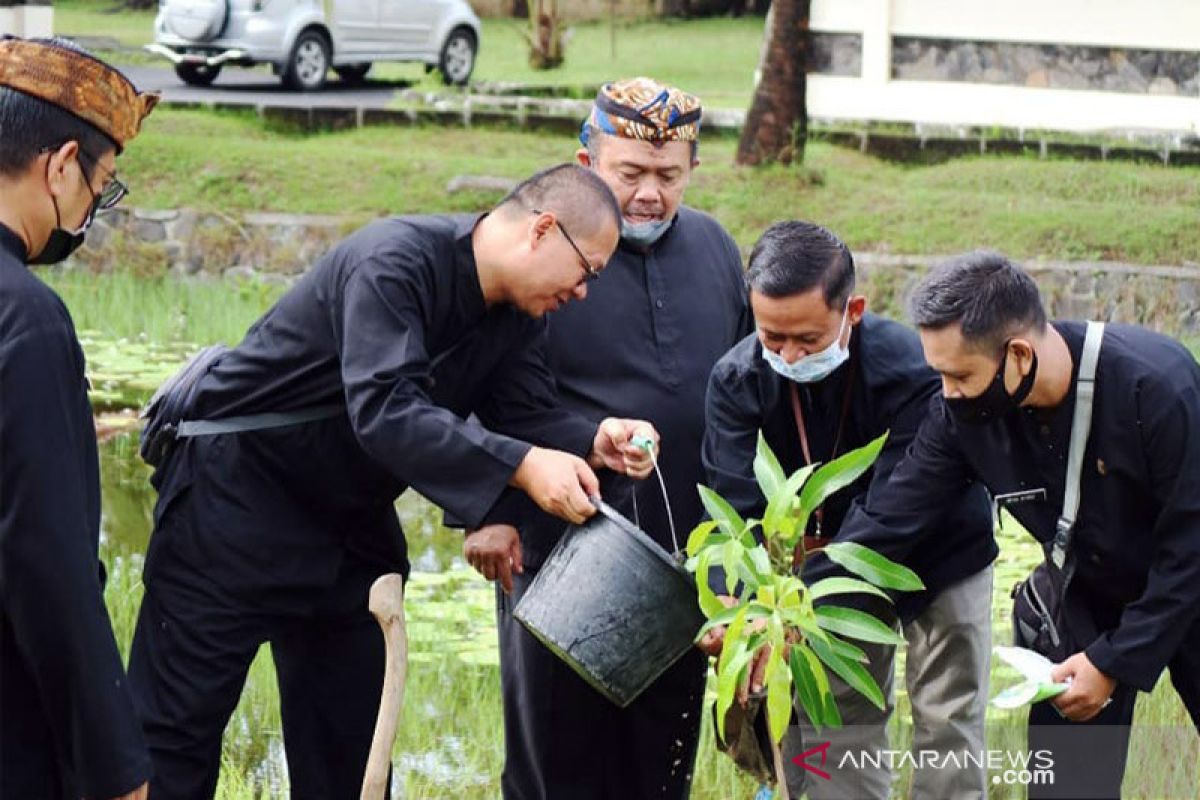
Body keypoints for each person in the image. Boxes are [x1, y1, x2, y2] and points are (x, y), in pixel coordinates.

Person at [128, 163, 660, 798]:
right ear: (543, 230)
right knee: (172, 745)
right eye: (588, 272)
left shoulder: (520, 318)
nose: (583, 292)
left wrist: (590, 440)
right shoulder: (394, 261)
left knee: (354, 759)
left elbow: (525, 415)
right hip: (233, 507)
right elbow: (384, 407)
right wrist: (522, 465)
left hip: (348, 530)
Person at [815, 251, 1200, 798]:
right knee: (1068, 784)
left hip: (1188, 582)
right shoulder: (964, 415)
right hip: (1083, 595)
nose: (946, 393)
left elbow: (1190, 549)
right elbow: (892, 517)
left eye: (959, 375)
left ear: (1019, 354)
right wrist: (801, 605)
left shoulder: (1158, 387)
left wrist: (1115, 662)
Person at [463, 77, 751, 799]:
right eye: (632, 173)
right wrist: (487, 511)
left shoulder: (716, 247)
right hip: (559, 544)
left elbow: (746, 390)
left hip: (686, 556)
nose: (650, 192)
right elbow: (474, 387)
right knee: (559, 762)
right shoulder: (543, 253)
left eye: (668, 175)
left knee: (660, 764)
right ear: (587, 162)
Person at [700, 221, 996, 799]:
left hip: (937, 550)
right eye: (771, 337)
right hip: (821, 574)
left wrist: (808, 594)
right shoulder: (737, 380)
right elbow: (734, 508)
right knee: (838, 721)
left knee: (948, 716)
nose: (788, 354)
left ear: (852, 310)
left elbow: (899, 510)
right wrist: (739, 605)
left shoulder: (915, 371)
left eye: (807, 339)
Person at [0, 36, 158, 800]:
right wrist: (115, 764)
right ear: (61, 166)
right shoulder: (25, 318)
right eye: (102, 185)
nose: (93, 207)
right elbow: (46, 566)